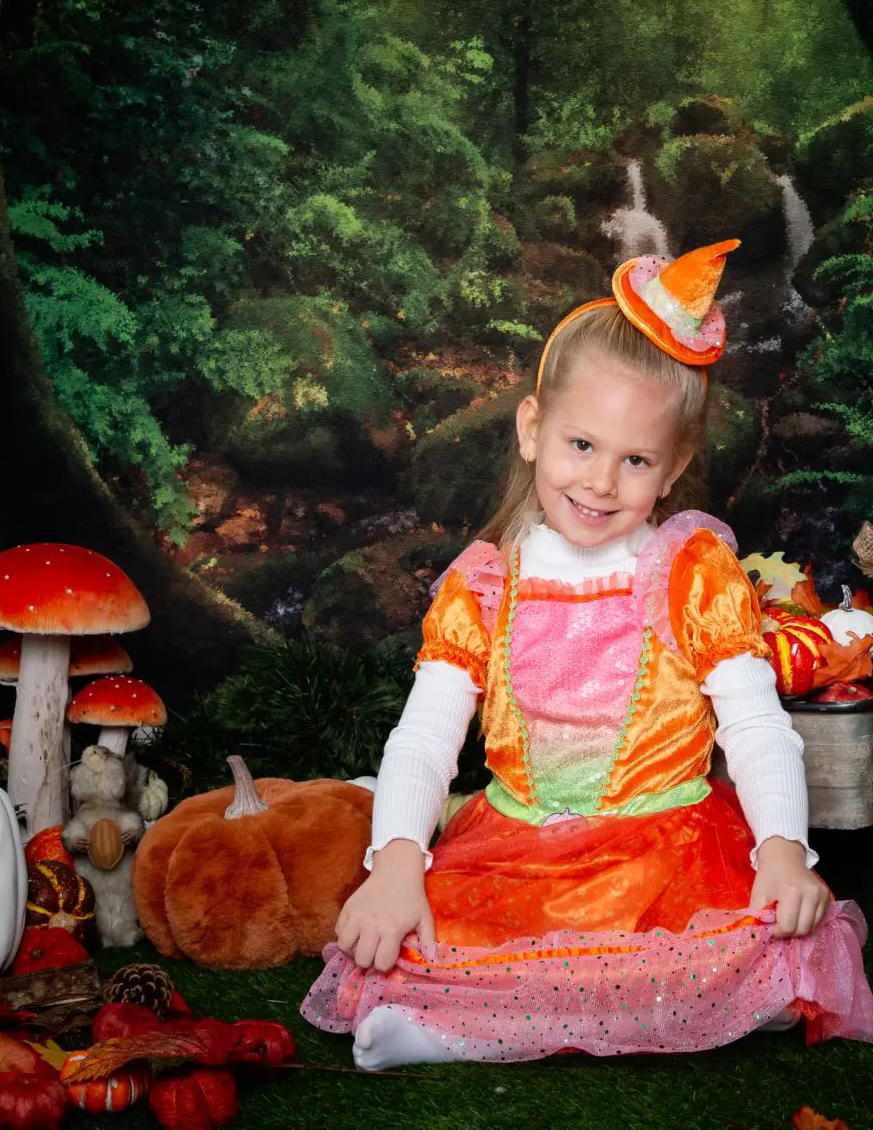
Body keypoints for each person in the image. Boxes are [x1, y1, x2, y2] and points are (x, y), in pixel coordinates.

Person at [300, 240, 873, 1068]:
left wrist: (783, 849)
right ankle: (448, 1022)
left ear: (672, 467)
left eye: (634, 460)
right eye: (581, 446)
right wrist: (394, 863)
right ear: (533, 430)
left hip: (664, 846)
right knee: (417, 932)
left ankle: (476, 1026)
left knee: (766, 941)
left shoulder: (689, 573)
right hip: (519, 846)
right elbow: (426, 737)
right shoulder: (486, 585)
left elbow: (753, 723)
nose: (601, 482)